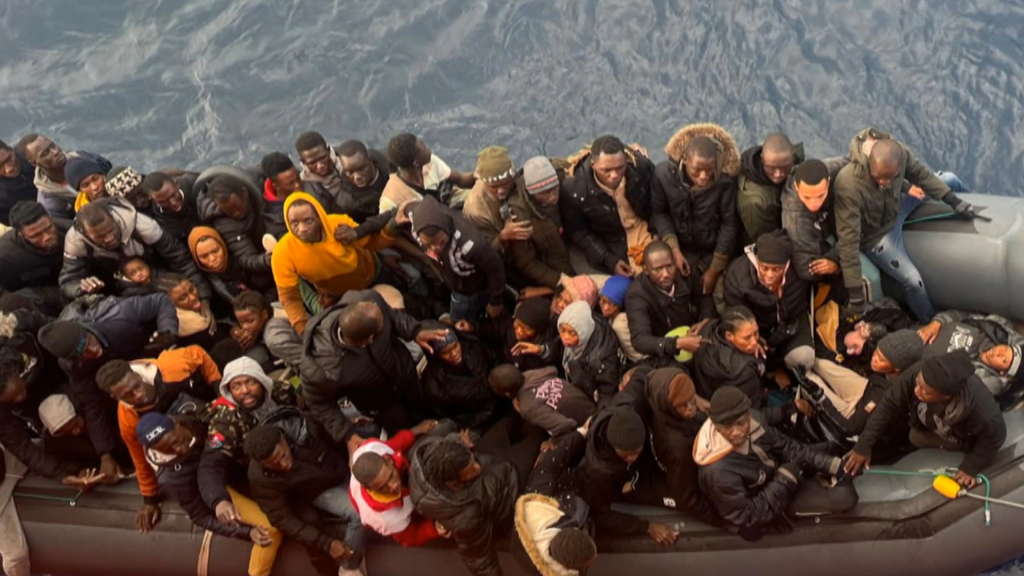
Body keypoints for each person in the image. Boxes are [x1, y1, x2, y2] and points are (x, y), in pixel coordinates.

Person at [834, 128, 976, 322]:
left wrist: (953, 201)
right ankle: (929, 321)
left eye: (889, 178)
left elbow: (922, 175)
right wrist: (856, 293)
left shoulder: (901, 154)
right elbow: (848, 241)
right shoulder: (849, 184)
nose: (883, 183)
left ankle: (973, 205)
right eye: (878, 178)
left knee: (948, 179)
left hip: (897, 207)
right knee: (913, 281)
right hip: (876, 237)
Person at [36, 294, 180, 483]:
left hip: (156, 351)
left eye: (89, 343)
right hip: (122, 378)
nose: (93, 351)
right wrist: (105, 453)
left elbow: (162, 300)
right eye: (83, 354)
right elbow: (91, 404)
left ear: (87, 330)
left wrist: (167, 332)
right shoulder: (72, 365)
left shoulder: (117, 313)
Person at [695, 386, 855, 537]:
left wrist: (836, 466)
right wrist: (785, 478)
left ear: (749, 415)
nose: (736, 432)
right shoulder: (717, 472)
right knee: (846, 496)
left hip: (778, 476)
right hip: (774, 505)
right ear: (716, 427)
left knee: (831, 448)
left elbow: (789, 447)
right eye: (727, 427)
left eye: (741, 423)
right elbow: (749, 516)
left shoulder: (755, 422)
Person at [135, 412, 276, 576]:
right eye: (168, 451)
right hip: (220, 489)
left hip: (241, 468)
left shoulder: (194, 416)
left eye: (176, 441)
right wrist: (247, 532)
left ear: (177, 424)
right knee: (270, 528)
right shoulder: (172, 477)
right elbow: (200, 516)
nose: (179, 450)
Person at [299, 290, 447, 445]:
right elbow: (319, 403)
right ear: (369, 339)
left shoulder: (368, 301)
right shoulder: (318, 367)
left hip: (405, 375)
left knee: (425, 409)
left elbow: (392, 316)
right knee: (407, 433)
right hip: (382, 405)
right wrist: (347, 434)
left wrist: (414, 331)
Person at [95, 347, 221, 528]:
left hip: (208, 412)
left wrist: (220, 390)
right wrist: (150, 498)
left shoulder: (171, 367)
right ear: (114, 397)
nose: (137, 395)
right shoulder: (128, 419)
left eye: (136, 386)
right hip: (188, 444)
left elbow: (200, 354)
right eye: (127, 395)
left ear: (137, 375)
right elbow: (139, 457)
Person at [845, 351, 1008, 488]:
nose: (917, 391)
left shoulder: (983, 413)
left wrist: (971, 466)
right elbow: (890, 402)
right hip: (921, 419)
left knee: (916, 438)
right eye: (917, 384)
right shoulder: (921, 372)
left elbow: (995, 438)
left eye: (925, 391)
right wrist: (864, 444)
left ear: (945, 396)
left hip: (956, 435)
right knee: (908, 434)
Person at [199, 357, 295, 576]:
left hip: (285, 459)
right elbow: (211, 464)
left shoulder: (282, 392)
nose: (245, 391)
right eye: (237, 386)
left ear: (261, 381)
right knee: (271, 527)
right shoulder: (226, 418)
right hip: (244, 476)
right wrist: (218, 500)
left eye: (250, 382)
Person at [245, 422, 368, 576]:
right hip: (319, 491)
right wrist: (326, 542)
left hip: (345, 467)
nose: (283, 464)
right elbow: (282, 519)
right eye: (274, 464)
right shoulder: (260, 477)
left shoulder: (306, 427)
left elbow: (337, 436)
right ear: (262, 463)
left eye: (283, 455)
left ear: (283, 440)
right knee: (358, 510)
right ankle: (348, 567)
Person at [271, 192, 400, 334]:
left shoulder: (339, 225)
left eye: (308, 221)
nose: (302, 229)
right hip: (339, 298)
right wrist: (303, 330)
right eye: (294, 223)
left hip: (373, 278)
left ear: (319, 217)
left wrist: (392, 227)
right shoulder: (283, 252)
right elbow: (289, 297)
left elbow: (373, 243)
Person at [616, 366, 722, 527]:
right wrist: (719, 520)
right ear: (668, 405)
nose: (691, 406)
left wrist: (695, 397)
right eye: (683, 404)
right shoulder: (679, 448)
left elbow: (648, 373)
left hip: (655, 454)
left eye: (691, 399)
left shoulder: (655, 389)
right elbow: (687, 500)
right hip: (669, 478)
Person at [651, 126, 740, 314]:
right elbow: (660, 213)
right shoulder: (664, 175)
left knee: (716, 302)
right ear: (685, 160)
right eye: (697, 170)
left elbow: (729, 225)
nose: (703, 176)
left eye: (709, 170)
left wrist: (714, 269)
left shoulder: (724, 181)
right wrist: (674, 249)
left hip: (712, 252)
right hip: (682, 249)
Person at [60, 197, 210, 302]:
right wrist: (81, 287)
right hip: (114, 290)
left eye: (111, 230)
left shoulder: (142, 225)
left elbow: (180, 258)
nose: (109, 238)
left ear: (114, 219)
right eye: (100, 237)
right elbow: (68, 282)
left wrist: (203, 296)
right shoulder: (76, 242)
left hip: (157, 275)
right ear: (86, 235)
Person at [409, 434, 519, 576]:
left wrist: (459, 440)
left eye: (472, 461)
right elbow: (480, 560)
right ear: (453, 482)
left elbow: (447, 441)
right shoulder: (466, 518)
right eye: (471, 470)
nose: (477, 467)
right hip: (506, 498)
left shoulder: (430, 454)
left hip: (496, 473)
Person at [574, 406, 679, 545]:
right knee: (679, 496)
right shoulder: (598, 475)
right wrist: (646, 526)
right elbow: (600, 515)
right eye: (626, 454)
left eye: (636, 452)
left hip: (642, 467)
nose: (632, 457)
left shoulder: (629, 407)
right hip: (627, 485)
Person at [803, 329, 924, 441]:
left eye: (881, 359)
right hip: (868, 389)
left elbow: (850, 428)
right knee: (820, 364)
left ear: (897, 368)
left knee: (810, 381)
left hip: (855, 416)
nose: (874, 358)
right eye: (876, 352)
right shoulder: (887, 367)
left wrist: (821, 397)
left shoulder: (889, 396)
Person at [561, 135, 656, 276]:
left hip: (642, 229)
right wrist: (609, 260)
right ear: (593, 165)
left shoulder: (640, 167)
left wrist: (657, 234)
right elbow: (579, 232)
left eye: (620, 168)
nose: (614, 175)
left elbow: (658, 204)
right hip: (608, 241)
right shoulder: (574, 189)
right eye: (606, 170)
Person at [723, 230, 813, 373]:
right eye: (764, 268)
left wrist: (833, 261)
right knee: (754, 369)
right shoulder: (738, 276)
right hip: (758, 331)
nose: (769, 275)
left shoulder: (799, 267)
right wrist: (754, 339)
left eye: (777, 269)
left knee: (803, 359)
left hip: (792, 323)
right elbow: (735, 316)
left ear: (787, 265)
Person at [408, 195, 507, 321]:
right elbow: (403, 209)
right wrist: (393, 221)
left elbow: (495, 268)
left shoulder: (472, 244)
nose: (435, 248)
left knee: (460, 320)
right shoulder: (415, 216)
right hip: (448, 277)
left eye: (441, 242)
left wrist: (496, 301)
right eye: (428, 244)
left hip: (471, 289)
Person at [348, 419, 444, 546]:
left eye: (391, 476)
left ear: (388, 460)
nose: (393, 485)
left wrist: (416, 430)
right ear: (368, 488)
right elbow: (412, 537)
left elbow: (394, 444)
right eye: (382, 487)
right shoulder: (387, 520)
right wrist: (434, 529)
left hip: (406, 489)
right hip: (393, 513)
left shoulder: (371, 448)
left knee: (441, 430)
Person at [514, 429, 596, 576]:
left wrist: (581, 432)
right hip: (577, 491)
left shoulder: (537, 505)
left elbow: (549, 465)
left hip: (566, 485)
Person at [693, 306, 796, 422]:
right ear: (729, 336)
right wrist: (790, 409)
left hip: (709, 392)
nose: (754, 342)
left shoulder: (708, 328)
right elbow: (754, 414)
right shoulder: (745, 370)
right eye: (747, 338)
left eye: (756, 333)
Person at [625, 242, 702, 362]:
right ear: (646, 270)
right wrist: (675, 344)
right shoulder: (636, 295)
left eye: (669, 266)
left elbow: (703, 297)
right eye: (658, 269)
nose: (666, 274)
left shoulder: (684, 270)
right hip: (663, 348)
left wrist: (705, 321)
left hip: (693, 333)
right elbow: (640, 340)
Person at [917, 310, 1024, 396]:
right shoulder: (988, 329)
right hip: (921, 326)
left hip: (912, 363)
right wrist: (937, 323)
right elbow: (960, 314)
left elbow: (990, 388)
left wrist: (1005, 382)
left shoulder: (979, 377)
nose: (999, 353)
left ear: (1002, 373)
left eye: (1004, 360)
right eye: (1005, 349)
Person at [506, 156, 573, 288]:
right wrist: (559, 279)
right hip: (551, 269)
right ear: (532, 193)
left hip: (570, 247)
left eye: (555, 189)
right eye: (545, 193)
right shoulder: (519, 216)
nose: (553, 196)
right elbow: (526, 263)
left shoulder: (562, 176)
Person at [781, 158, 850, 284]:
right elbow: (806, 270)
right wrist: (835, 263)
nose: (814, 203)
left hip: (834, 226)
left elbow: (852, 160)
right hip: (821, 244)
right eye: (807, 197)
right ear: (796, 187)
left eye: (820, 195)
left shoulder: (829, 170)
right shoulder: (796, 220)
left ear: (828, 181)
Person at [196, 173, 275, 282]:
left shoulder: (256, 179)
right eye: (228, 211)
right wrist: (267, 260)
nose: (236, 214)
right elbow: (246, 258)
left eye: (238, 207)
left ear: (245, 193)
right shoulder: (224, 223)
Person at [296, 133, 388, 223]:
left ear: (328, 150)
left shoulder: (346, 155)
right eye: (312, 163)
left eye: (323, 158)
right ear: (303, 162)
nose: (320, 166)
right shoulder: (306, 189)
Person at [15, 133, 111, 220]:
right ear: (35, 163)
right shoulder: (50, 202)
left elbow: (111, 172)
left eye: (52, 145)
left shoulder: (83, 157)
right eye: (45, 153)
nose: (55, 152)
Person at [421, 329, 502, 430]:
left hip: (502, 402)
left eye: (455, 346)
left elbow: (495, 362)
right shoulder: (434, 385)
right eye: (445, 352)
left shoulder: (474, 348)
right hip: (480, 423)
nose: (454, 354)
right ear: (436, 355)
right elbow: (452, 417)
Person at [488, 364, 595, 439]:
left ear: (506, 393)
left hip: (590, 424)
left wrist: (553, 441)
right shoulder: (530, 374)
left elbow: (564, 426)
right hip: (589, 404)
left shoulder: (528, 408)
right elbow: (553, 370)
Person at [463, 146, 534, 256]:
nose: (501, 191)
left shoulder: (517, 176)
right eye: (493, 187)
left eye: (506, 184)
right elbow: (484, 251)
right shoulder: (476, 212)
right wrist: (503, 236)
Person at [380, 132, 475, 212]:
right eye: (424, 149)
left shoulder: (430, 162)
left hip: (452, 203)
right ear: (416, 163)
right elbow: (388, 230)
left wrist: (481, 173)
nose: (429, 149)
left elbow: (461, 180)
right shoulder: (391, 199)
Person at [736, 133, 804, 245]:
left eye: (785, 167)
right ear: (762, 159)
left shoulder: (783, 156)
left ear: (792, 156)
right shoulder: (755, 202)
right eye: (771, 168)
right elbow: (769, 243)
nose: (778, 174)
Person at [0, 201, 68, 307]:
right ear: (22, 235)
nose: (47, 237)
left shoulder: (70, 231)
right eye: (36, 235)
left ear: (50, 219)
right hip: (35, 303)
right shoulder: (5, 255)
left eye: (49, 228)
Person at [188, 225, 275, 306]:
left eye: (215, 251)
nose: (212, 259)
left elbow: (271, 287)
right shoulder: (205, 284)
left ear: (222, 246)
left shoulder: (242, 260)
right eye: (204, 256)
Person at [558, 301, 623, 406]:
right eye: (562, 330)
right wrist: (542, 349)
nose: (565, 337)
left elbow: (607, 393)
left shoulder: (602, 358)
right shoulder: (580, 329)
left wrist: (598, 419)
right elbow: (557, 345)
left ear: (583, 332)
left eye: (572, 333)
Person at [139, 171, 203, 244]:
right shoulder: (159, 220)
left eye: (173, 195)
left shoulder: (197, 184)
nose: (173, 203)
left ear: (176, 184)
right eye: (163, 202)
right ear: (152, 199)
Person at [257, 152, 305, 239]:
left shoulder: (309, 185)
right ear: (276, 186)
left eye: (298, 178)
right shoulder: (275, 219)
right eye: (290, 184)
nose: (297, 185)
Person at [599, 274, 644, 363]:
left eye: (612, 304)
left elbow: (637, 356)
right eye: (603, 301)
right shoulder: (616, 316)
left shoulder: (620, 324)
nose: (605, 308)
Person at [0, 139, 39, 226]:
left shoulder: (31, 153)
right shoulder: (1, 200)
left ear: (11, 150)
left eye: (8, 159)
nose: (9, 169)